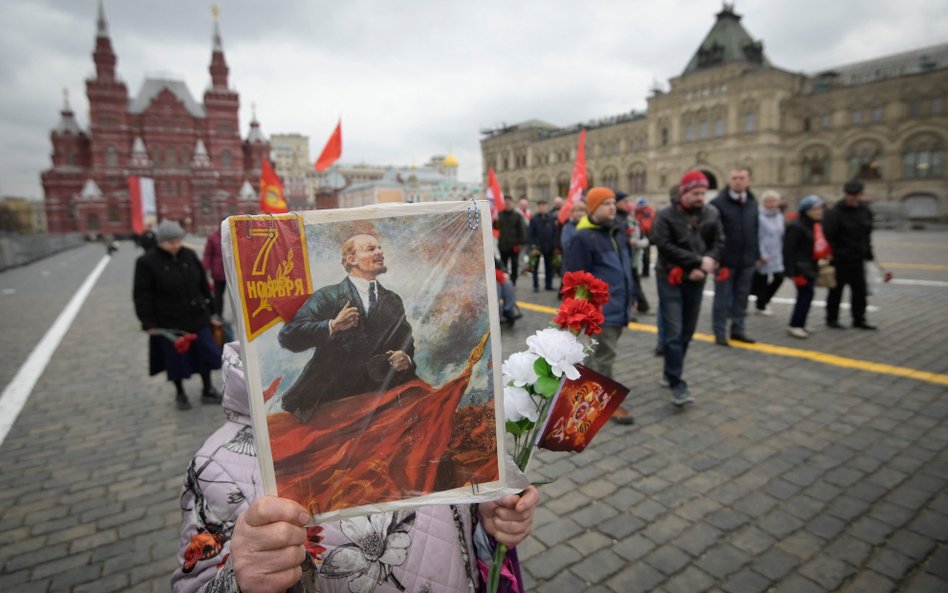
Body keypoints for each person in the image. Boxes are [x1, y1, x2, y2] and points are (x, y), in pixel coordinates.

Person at [172, 341, 540, 593]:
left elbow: (456, 514)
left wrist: (488, 518)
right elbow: (196, 580)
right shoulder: (220, 463)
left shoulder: (417, 405)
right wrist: (241, 579)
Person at [277, 233, 416, 423]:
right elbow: (289, 336)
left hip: (382, 398)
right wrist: (332, 326)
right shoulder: (327, 296)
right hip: (332, 401)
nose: (380, 252)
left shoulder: (392, 299)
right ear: (352, 260)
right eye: (371, 249)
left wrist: (405, 356)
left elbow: (406, 339)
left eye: (380, 248)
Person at [563, 187, 635, 425]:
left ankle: (591, 399)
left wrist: (632, 296)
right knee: (602, 358)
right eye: (606, 203)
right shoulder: (583, 238)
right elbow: (573, 278)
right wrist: (584, 313)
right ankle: (601, 405)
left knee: (602, 356)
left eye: (614, 202)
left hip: (619, 306)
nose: (612, 207)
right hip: (602, 311)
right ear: (593, 208)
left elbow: (625, 270)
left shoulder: (616, 232)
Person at [652, 171, 724, 406]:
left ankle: (671, 369)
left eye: (703, 193)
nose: (700, 197)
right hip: (670, 278)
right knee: (673, 331)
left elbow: (718, 243)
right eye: (695, 193)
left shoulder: (712, 213)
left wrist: (707, 264)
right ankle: (677, 383)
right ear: (684, 192)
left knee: (687, 332)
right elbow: (663, 245)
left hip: (697, 278)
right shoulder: (665, 215)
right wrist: (694, 263)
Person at [133, 220, 221, 410]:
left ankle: (207, 389)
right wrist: (148, 323)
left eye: (178, 240)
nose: (175, 245)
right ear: (161, 242)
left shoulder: (189, 255)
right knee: (176, 361)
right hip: (169, 320)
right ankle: (180, 393)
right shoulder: (146, 262)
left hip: (197, 316)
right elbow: (142, 295)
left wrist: (212, 310)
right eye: (170, 242)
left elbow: (203, 286)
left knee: (205, 354)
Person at [709, 168, 759, 346]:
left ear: (749, 180)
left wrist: (756, 255)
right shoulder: (718, 203)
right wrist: (715, 258)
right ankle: (720, 332)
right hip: (725, 262)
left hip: (747, 261)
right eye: (734, 178)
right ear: (729, 181)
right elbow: (711, 233)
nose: (738, 181)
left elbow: (754, 230)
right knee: (722, 298)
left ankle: (738, 329)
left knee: (742, 297)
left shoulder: (752, 203)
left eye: (742, 178)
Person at [823, 180, 877, 330]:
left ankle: (859, 319)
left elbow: (867, 235)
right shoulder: (835, 212)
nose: (852, 198)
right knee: (836, 290)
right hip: (839, 259)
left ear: (861, 195)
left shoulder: (865, 211)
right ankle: (832, 319)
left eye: (855, 195)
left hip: (858, 258)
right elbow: (828, 236)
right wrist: (831, 255)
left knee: (859, 291)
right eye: (849, 195)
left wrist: (869, 254)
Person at [783, 195, 827, 339]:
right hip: (800, 268)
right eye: (815, 209)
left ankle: (801, 323)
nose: (819, 211)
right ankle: (795, 325)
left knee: (807, 295)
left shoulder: (814, 224)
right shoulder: (796, 226)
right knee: (805, 295)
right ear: (806, 210)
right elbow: (788, 250)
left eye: (819, 208)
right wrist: (792, 273)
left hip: (811, 266)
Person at [615, 192, 650, 314]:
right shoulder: (619, 221)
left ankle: (637, 305)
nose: (627, 204)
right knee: (632, 284)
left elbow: (646, 240)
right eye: (625, 201)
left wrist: (637, 243)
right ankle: (640, 305)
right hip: (627, 259)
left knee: (634, 283)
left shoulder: (635, 223)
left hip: (634, 258)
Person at [752, 190, 786, 316]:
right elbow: (758, 237)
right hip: (764, 253)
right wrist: (761, 254)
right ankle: (760, 305)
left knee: (779, 277)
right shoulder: (759, 217)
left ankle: (764, 299)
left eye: (774, 201)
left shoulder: (779, 216)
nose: (771, 204)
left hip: (777, 252)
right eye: (768, 201)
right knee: (762, 279)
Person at [495, 197, 527, 286]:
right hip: (503, 245)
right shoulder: (500, 215)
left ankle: (513, 282)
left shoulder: (517, 216)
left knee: (514, 265)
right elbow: (496, 227)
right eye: (506, 203)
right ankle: (504, 281)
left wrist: (520, 243)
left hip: (514, 246)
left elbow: (522, 230)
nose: (507, 205)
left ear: (512, 204)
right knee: (503, 265)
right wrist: (495, 220)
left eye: (509, 203)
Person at [527, 199, 557, 292]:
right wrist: (532, 246)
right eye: (540, 205)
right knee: (535, 267)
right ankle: (536, 285)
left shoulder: (551, 218)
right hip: (537, 247)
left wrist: (555, 245)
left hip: (549, 246)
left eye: (544, 205)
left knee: (549, 266)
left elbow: (555, 232)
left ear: (547, 207)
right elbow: (530, 234)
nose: (542, 207)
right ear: (538, 207)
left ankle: (549, 285)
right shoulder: (534, 219)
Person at [202, 226, 227, 318]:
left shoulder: (235, 235)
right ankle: (218, 314)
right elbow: (208, 254)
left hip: (234, 271)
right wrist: (203, 269)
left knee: (237, 295)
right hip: (219, 272)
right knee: (218, 295)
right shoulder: (213, 238)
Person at [633, 198, 655, 278]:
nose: (636, 206)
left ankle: (646, 272)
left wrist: (639, 226)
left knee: (646, 254)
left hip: (645, 234)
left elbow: (647, 225)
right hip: (640, 232)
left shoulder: (647, 211)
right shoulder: (638, 211)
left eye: (638, 205)